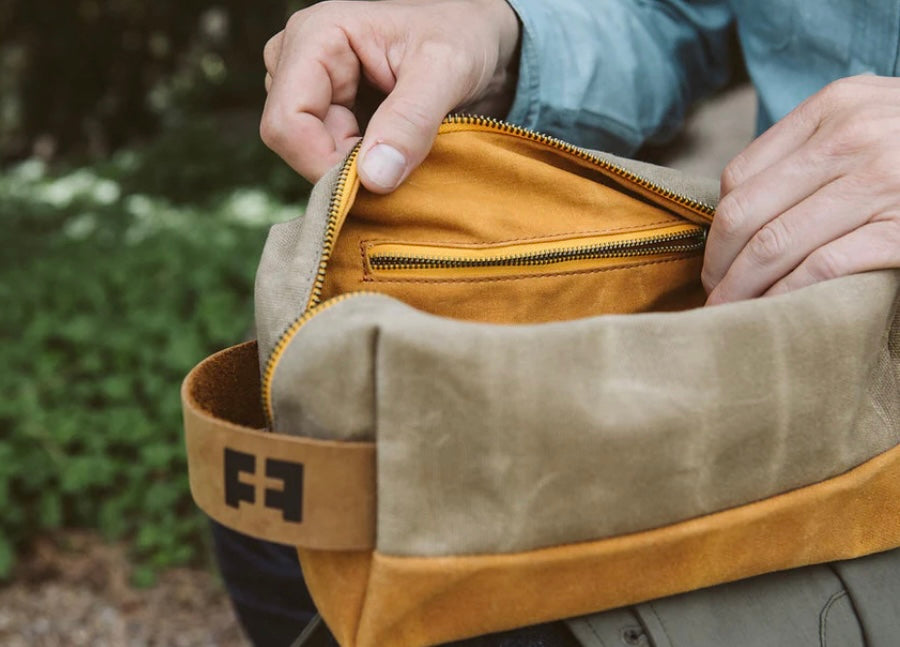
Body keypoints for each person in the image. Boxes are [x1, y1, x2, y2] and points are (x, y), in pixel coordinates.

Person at [215, 1, 900, 644]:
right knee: (280, 520)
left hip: (856, 432)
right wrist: (499, 35)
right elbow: (671, 16)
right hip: (774, 310)